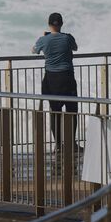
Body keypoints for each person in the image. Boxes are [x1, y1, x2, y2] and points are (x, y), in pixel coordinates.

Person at [32, 12, 82, 155]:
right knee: (72, 111)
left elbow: (34, 50)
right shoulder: (68, 38)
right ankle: (72, 143)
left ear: (49, 24)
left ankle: (58, 145)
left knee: (55, 112)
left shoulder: (44, 40)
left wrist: (45, 37)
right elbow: (75, 47)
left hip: (51, 80)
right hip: (67, 78)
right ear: (61, 24)